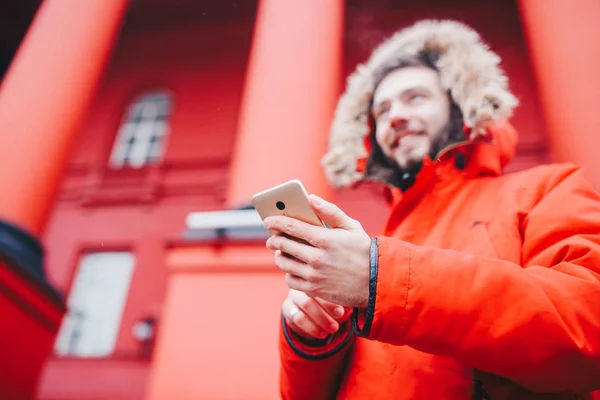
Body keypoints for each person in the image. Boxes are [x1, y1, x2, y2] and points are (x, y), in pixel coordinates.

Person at [262, 19, 600, 399]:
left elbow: (589, 326)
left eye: (415, 98)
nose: (395, 116)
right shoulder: (371, 244)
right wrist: (315, 339)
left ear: (459, 103)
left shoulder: (547, 188)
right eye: (382, 109)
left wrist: (381, 279)